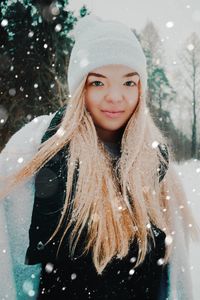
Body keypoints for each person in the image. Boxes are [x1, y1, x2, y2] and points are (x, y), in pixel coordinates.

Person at [0, 14, 198, 300]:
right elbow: (9, 263)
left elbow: (176, 278)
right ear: (80, 88)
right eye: (99, 83)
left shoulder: (155, 162)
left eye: (129, 83)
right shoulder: (39, 149)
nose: (116, 96)